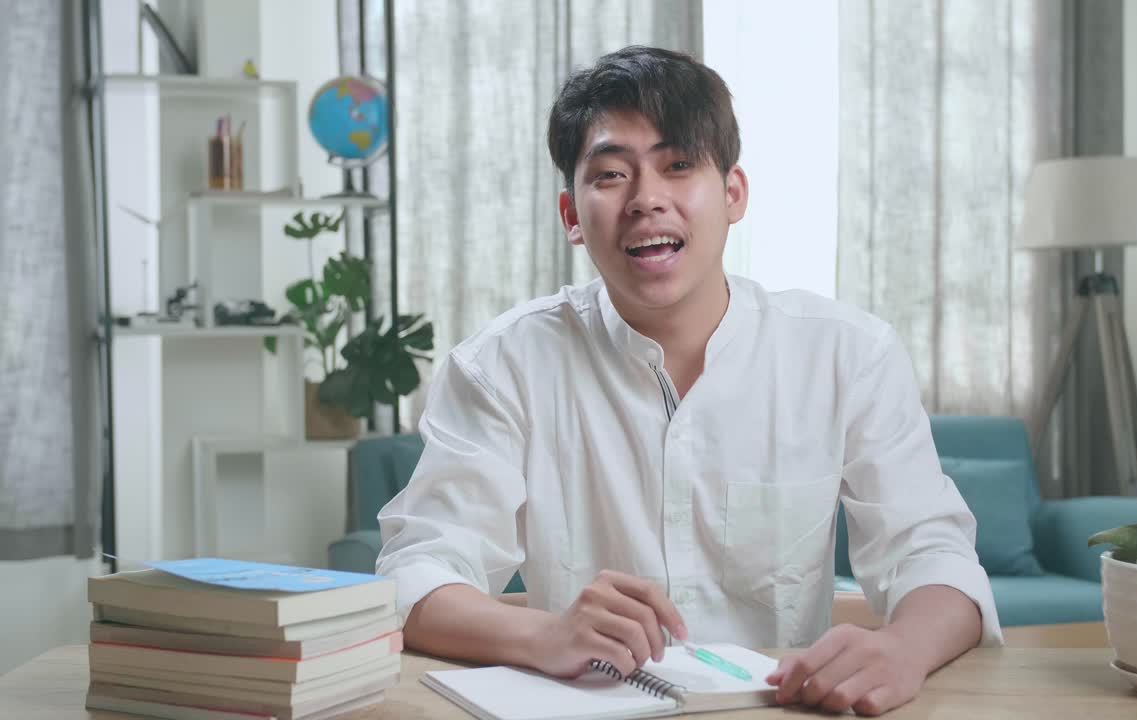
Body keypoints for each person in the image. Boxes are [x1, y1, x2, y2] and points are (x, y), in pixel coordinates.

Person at [377, 45, 1002, 716]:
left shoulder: (848, 354)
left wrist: (903, 647)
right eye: (612, 175)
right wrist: (545, 631)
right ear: (571, 217)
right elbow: (418, 572)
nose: (648, 200)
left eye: (678, 166)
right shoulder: (500, 366)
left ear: (733, 194)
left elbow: (932, 553)